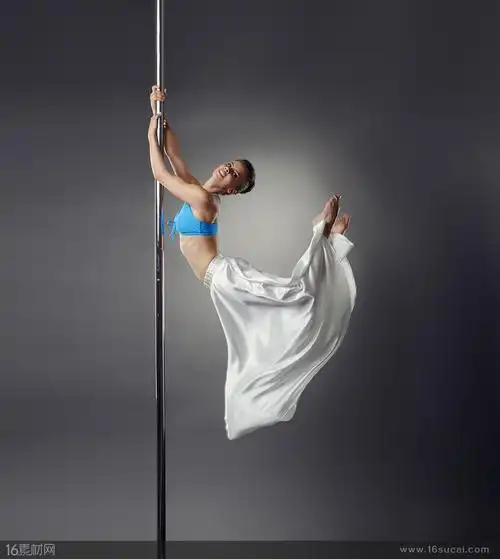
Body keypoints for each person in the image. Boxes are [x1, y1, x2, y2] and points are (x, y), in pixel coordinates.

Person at [148, 85, 357, 440]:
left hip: (225, 277)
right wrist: (158, 113)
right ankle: (323, 236)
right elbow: (173, 155)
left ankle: (323, 234)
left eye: (234, 174)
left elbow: (160, 172)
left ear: (232, 189)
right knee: (272, 322)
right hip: (219, 283)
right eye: (230, 165)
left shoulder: (202, 199)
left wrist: (148, 133)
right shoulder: (199, 189)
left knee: (296, 296)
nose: (227, 170)